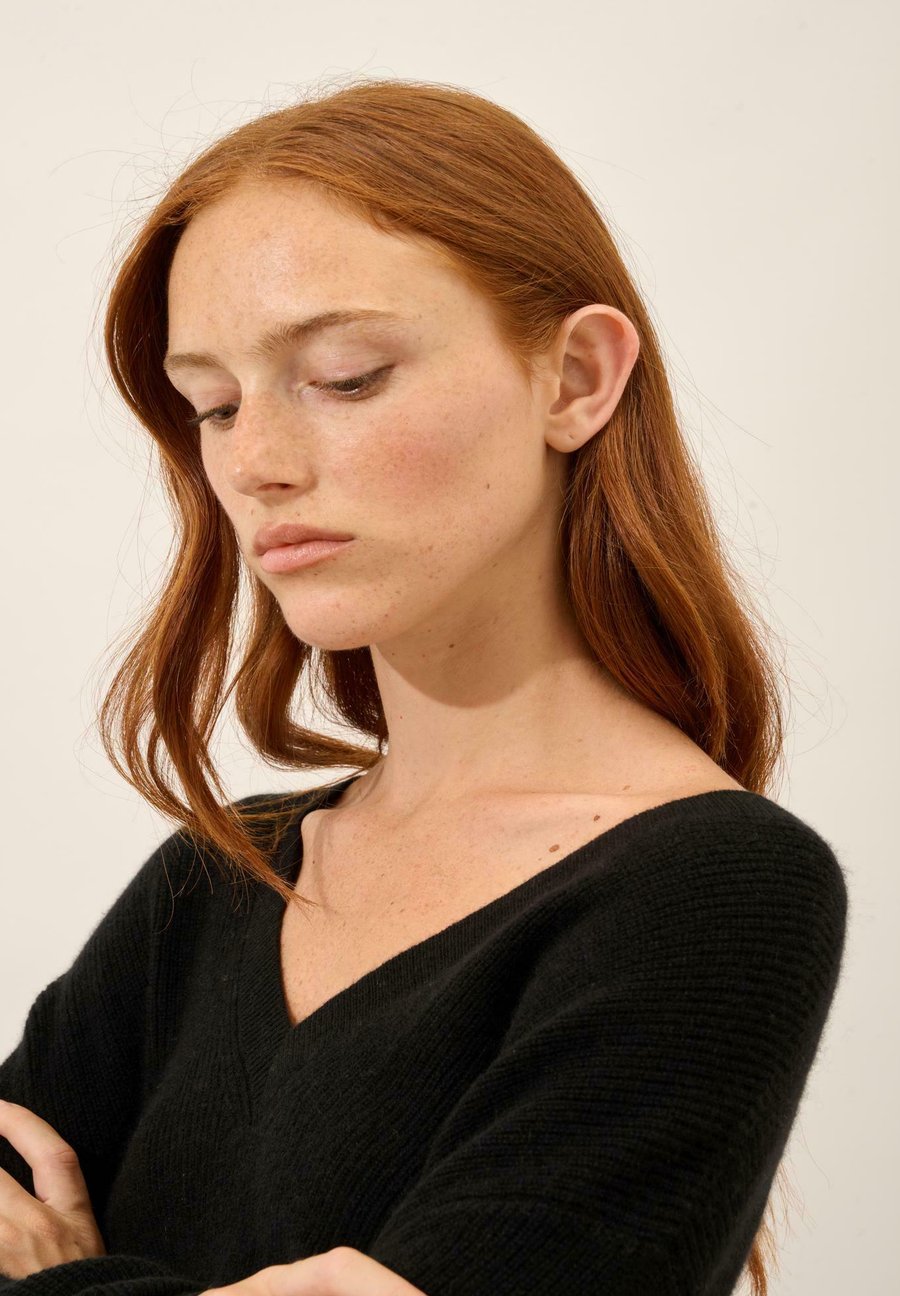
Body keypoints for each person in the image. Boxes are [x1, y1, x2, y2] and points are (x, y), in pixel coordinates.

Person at [0, 77, 847, 1296]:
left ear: (576, 379)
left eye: (346, 377)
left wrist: (55, 1279)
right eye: (213, 405)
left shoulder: (717, 890)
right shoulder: (221, 877)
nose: (256, 462)